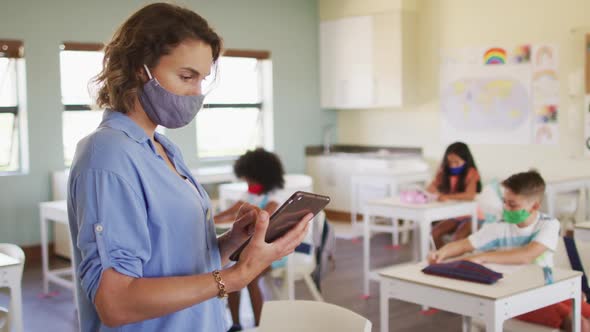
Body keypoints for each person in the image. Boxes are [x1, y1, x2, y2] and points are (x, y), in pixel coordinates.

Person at [67, 3, 312, 331]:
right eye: (186, 76)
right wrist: (235, 277)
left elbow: (177, 261)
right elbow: (116, 302)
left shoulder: (163, 148)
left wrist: (233, 239)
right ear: (141, 68)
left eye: (202, 79)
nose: (197, 93)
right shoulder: (107, 155)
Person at [428, 171, 590, 331]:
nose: (506, 208)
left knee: (583, 312)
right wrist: (441, 253)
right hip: (514, 297)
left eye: (512, 205)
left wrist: (482, 257)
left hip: (548, 289)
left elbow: (527, 255)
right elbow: (465, 244)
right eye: (504, 202)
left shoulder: (548, 224)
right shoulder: (499, 227)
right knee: (575, 320)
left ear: (534, 206)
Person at [214, 148, 285, 331]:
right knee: (232, 276)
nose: (246, 182)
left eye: (249, 178)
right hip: (250, 249)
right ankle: (236, 324)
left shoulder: (274, 197)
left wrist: (246, 218)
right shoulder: (251, 193)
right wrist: (210, 220)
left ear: (260, 176)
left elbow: (264, 217)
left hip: (271, 251)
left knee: (250, 278)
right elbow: (232, 211)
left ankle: (260, 325)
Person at [427, 142, 482, 248]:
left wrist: (447, 196)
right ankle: (444, 258)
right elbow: (430, 189)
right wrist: (436, 187)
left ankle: (453, 260)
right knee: (435, 233)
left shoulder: (471, 172)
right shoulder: (444, 172)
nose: (453, 165)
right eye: (450, 162)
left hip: (471, 215)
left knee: (458, 238)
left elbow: (470, 195)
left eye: (457, 162)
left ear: (466, 161)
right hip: (455, 215)